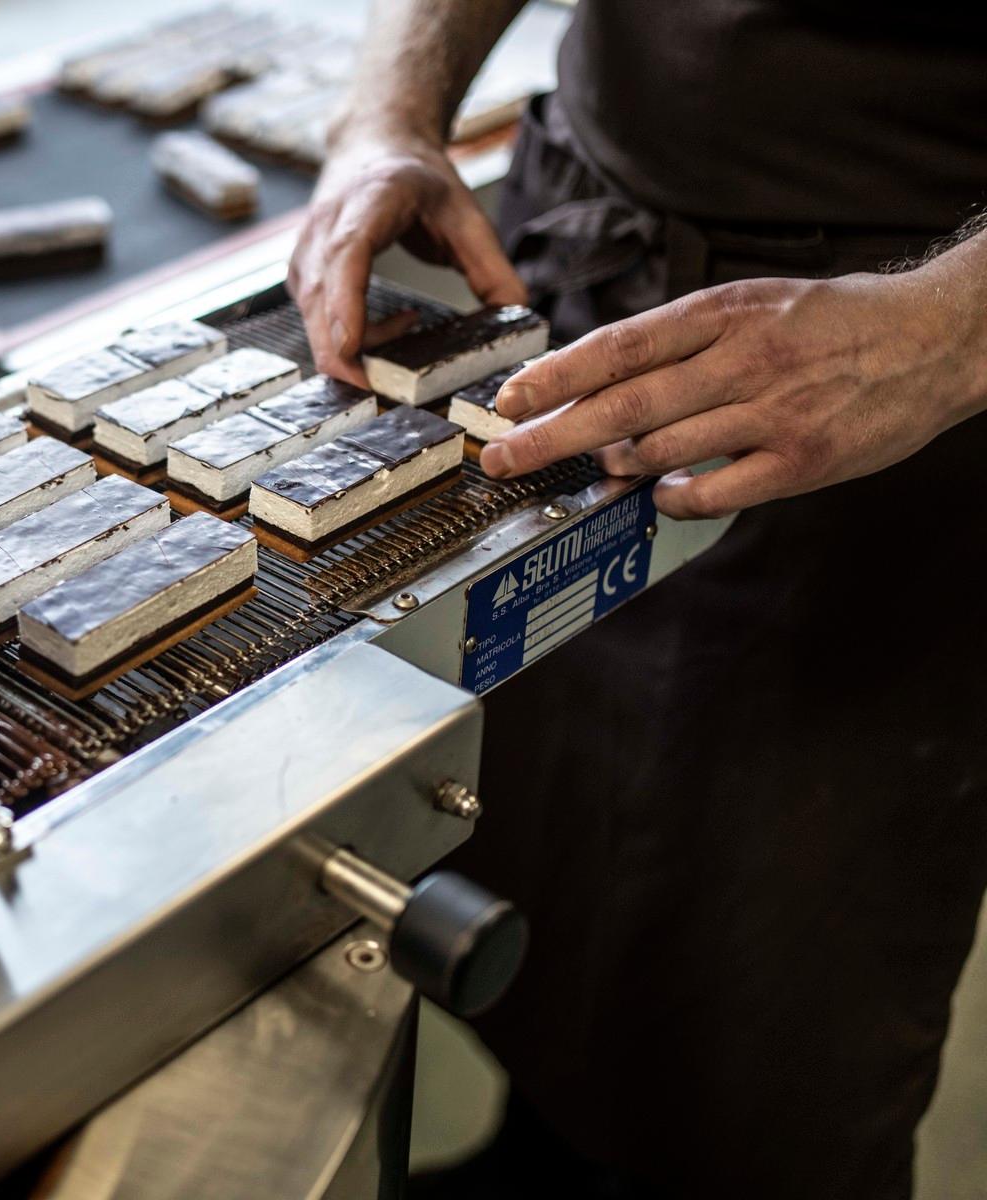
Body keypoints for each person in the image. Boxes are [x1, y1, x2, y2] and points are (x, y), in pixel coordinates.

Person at [289, 2, 987, 1197]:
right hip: (579, 273)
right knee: (534, 910)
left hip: (887, 384)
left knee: (756, 1047)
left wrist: (947, 332)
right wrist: (386, 112)